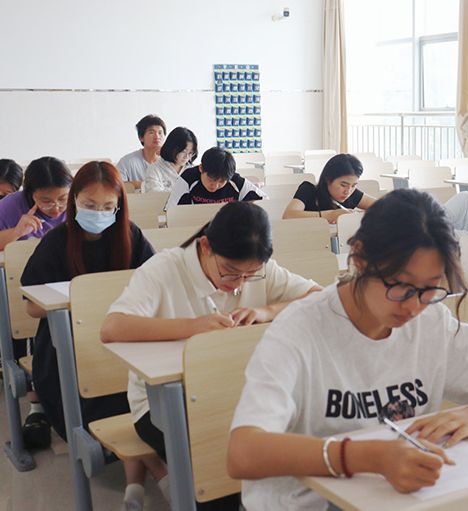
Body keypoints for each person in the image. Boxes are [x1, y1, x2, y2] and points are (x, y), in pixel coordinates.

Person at [227, 189, 468, 510]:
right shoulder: (300, 329)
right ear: (359, 259)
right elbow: (243, 453)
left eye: (430, 288)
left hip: (399, 499)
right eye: (400, 286)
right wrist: (369, 457)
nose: (414, 306)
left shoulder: (431, 321)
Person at [100, 202, 322, 509]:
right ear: (205, 246)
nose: (238, 285)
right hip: (163, 405)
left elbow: (319, 298)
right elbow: (112, 328)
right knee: (218, 469)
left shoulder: (259, 268)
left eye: (249, 276)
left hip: (235, 394)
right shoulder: (164, 269)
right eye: (230, 273)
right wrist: (192, 327)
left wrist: (267, 310)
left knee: (297, 450)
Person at [21, 161, 167, 511]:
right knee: (111, 399)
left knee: (139, 399)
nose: (98, 213)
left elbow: (156, 283)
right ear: (74, 201)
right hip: (66, 350)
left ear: (118, 206)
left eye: (107, 207)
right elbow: (31, 308)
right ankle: (160, 476)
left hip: (122, 342)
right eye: (89, 205)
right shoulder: (57, 242)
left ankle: (136, 487)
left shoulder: (129, 235)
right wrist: (83, 301)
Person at [0, 156, 72, 250]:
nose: (56, 209)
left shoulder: (79, 202)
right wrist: (16, 232)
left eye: (63, 199)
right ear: (30, 194)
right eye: (46, 201)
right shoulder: (10, 205)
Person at [282, 154, 376, 224]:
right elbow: (288, 216)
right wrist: (330, 215)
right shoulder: (308, 190)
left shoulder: (352, 193)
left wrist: (360, 215)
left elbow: (382, 207)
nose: (348, 191)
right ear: (328, 179)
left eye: (353, 185)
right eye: (343, 185)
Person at [166, 146, 266, 206]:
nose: (215, 185)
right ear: (201, 168)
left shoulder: (234, 180)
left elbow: (264, 200)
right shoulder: (188, 178)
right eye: (211, 179)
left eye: (221, 181)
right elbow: (171, 209)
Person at [116, 115, 167, 190]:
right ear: (141, 137)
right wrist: (139, 185)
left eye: (160, 133)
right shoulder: (127, 162)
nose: (157, 136)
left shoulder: (170, 162)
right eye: (151, 132)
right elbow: (116, 187)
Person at [143, 127, 197, 193]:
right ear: (171, 148)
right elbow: (154, 194)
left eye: (190, 153)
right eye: (183, 151)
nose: (186, 156)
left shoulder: (193, 171)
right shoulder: (155, 169)